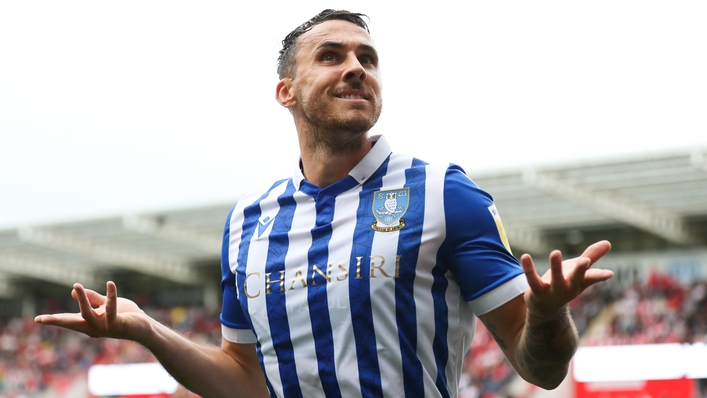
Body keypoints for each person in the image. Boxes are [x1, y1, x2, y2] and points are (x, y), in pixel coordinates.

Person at [35, 9, 613, 398]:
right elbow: (244, 380)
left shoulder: (443, 193)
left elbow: (542, 368)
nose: (356, 67)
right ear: (285, 91)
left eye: (367, 58)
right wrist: (148, 331)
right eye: (331, 56)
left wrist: (546, 313)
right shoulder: (248, 222)